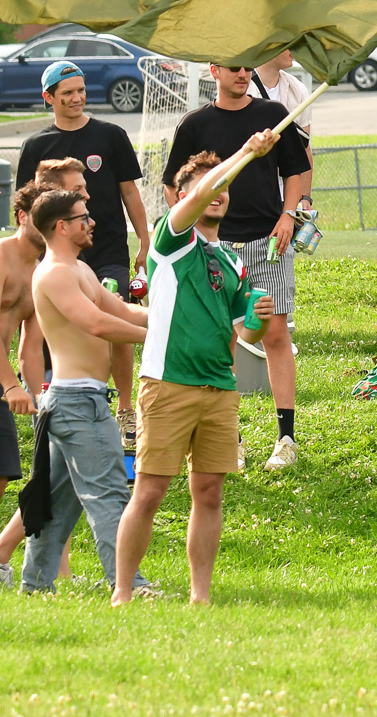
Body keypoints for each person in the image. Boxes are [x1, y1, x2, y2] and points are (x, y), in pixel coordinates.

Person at [112, 140, 279, 606]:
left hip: (219, 389)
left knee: (209, 493)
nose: (218, 193)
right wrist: (243, 153)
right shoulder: (171, 239)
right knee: (149, 491)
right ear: (182, 198)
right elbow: (201, 191)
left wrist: (258, 317)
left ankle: (199, 597)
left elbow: (242, 337)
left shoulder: (232, 262)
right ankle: (123, 592)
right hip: (167, 384)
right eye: (209, 187)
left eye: (226, 188)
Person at [162, 63, 310, 469]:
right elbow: (173, 187)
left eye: (247, 68)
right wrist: (196, 235)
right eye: (233, 68)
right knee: (221, 339)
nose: (242, 74)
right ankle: (230, 437)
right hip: (217, 245)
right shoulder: (195, 124)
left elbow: (296, 169)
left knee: (275, 332)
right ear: (214, 71)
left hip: (269, 241)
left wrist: (288, 215)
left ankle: (286, 438)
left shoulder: (271, 115)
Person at [19, 188, 155, 597]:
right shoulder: (55, 273)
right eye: (83, 218)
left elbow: (120, 311)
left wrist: (174, 317)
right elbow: (96, 323)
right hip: (76, 401)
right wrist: (159, 337)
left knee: (58, 502)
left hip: (82, 400)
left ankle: (36, 585)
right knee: (109, 492)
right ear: (61, 227)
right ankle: (129, 584)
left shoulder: (79, 269)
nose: (91, 222)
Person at [18, 61, 151, 445]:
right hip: (58, 252)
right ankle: (51, 400)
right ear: (49, 98)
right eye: (67, 93)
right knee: (47, 329)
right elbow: (28, 206)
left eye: (80, 90)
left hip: (106, 247)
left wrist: (143, 240)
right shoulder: (37, 147)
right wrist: (30, 250)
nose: (76, 98)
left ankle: (126, 411)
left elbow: (130, 192)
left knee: (116, 319)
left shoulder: (110, 135)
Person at [0, 182, 49, 589]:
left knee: (2, 474)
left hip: (1, 382)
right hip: (0, 383)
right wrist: (9, 386)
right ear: (21, 217)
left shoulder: (40, 272)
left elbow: (30, 348)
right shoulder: (0, 257)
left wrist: (40, 397)